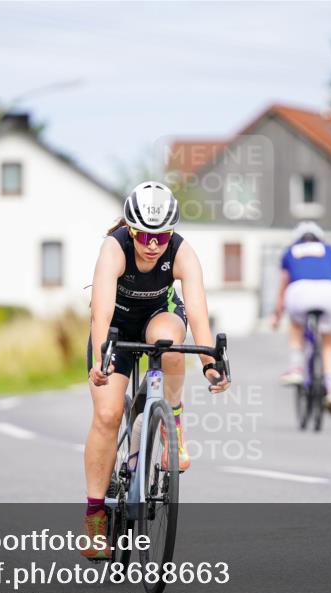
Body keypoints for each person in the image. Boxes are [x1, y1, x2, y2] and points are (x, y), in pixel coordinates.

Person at [82, 181, 230, 560]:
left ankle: (173, 419)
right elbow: (101, 310)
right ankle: (96, 516)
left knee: (170, 344)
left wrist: (211, 364)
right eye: (145, 235)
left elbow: (197, 312)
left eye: (161, 236)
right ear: (131, 230)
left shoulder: (181, 252)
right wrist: (103, 359)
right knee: (108, 413)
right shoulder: (115, 247)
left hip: (159, 318)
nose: (152, 244)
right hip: (116, 329)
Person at [270, 220, 331, 414]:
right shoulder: (330, 250)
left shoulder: (290, 251)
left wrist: (277, 315)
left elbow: (283, 288)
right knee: (329, 342)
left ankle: (296, 368)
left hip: (300, 292)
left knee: (296, 326)